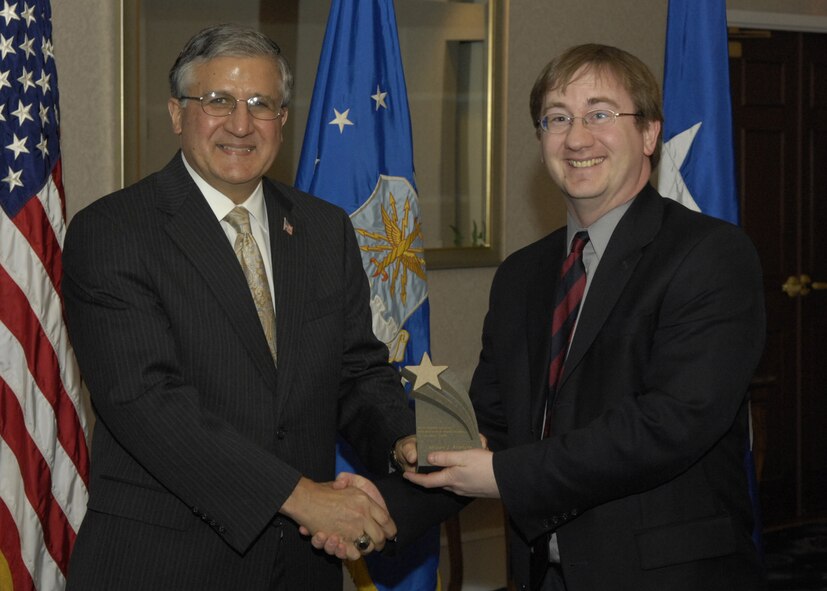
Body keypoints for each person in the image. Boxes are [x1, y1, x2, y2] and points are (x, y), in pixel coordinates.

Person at [63, 24, 458, 590]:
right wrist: (304, 500)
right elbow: (148, 404)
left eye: (261, 104)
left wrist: (403, 439)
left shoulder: (324, 229)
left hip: (300, 566)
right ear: (177, 113)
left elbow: (356, 371)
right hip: (165, 563)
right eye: (217, 101)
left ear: (283, 118)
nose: (241, 124)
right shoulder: (112, 231)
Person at [405, 44, 766, 591]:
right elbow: (495, 422)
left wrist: (504, 474)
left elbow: (670, 423)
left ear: (649, 134)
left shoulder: (710, 255)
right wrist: (388, 499)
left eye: (600, 113)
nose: (576, 138)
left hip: (666, 577)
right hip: (539, 574)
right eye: (557, 118)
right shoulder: (520, 275)